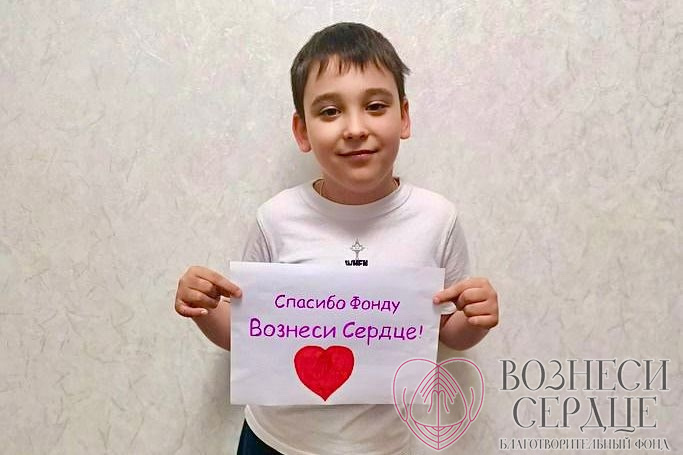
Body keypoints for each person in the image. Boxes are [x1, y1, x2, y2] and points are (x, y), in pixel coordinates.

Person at [174, 22, 499, 455]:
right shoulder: (276, 219)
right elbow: (249, 337)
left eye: (375, 106)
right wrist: (202, 309)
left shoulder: (437, 220)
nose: (355, 127)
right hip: (273, 441)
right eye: (330, 112)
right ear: (302, 131)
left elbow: (443, 332)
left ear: (404, 117)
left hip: (382, 447)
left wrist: (474, 320)